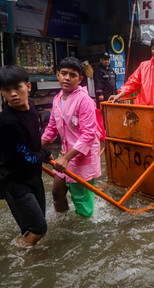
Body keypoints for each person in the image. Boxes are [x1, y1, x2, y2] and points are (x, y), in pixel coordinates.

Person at [0, 65, 52, 246]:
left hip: (33, 177)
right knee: (38, 229)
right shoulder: (8, 122)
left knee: (36, 223)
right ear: (1, 92)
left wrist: (42, 153)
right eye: (6, 90)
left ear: (28, 86)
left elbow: (33, 139)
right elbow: (27, 159)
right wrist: (47, 153)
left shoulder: (31, 106)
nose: (13, 94)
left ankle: (29, 261)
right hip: (15, 182)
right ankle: (14, 256)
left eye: (17, 88)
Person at [42, 57, 102, 217]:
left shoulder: (85, 101)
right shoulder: (56, 99)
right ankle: (63, 223)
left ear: (80, 79)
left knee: (81, 200)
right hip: (66, 153)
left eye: (72, 75)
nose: (67, 78)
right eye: (64, 73)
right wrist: (35, 147)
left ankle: (85, 230)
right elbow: (51, 128)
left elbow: (89, 134)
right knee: (56, 192)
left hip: (83, 155)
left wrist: (66, 159)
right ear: (57, 75)